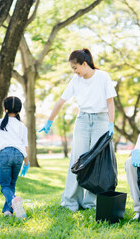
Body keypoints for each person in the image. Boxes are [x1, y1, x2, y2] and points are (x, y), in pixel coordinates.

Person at [39, 48, 117, 211]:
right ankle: (71, 201)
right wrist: (49, 122)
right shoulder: (76, 81)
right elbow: (61, 102)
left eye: (75, 68)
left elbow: (110, 102)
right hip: (82, 120)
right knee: (77, 160)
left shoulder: (103, 77)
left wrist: (111, 123)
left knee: (95, 161)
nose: (74, 72)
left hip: (101, 119)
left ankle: (90, 202)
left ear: (84, 63)